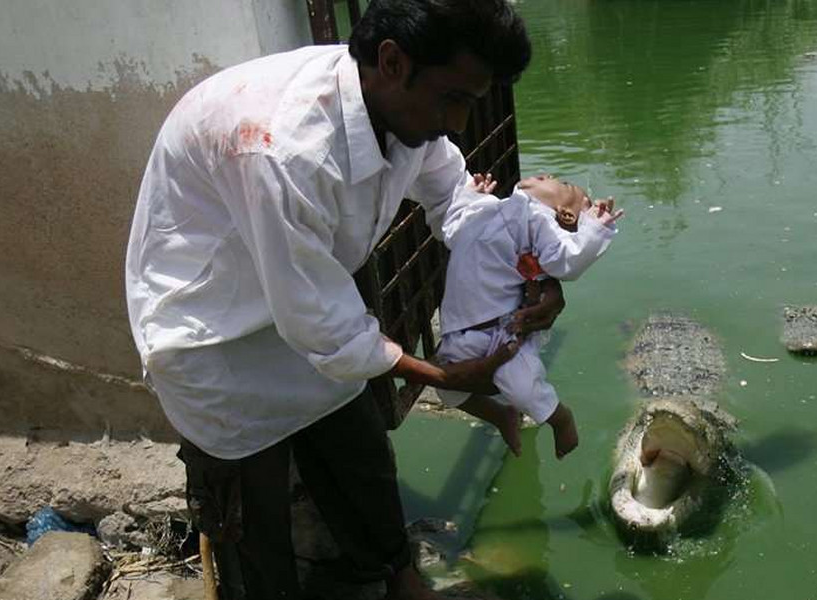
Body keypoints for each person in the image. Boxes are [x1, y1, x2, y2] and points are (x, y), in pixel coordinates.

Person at [124, 1, 558, 598]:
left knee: (361, 461)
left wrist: (533, 270)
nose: (458, 122)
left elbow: (455, 200)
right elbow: (320, 327)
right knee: (254, 526)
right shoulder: (282, 148)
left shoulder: (403, 107)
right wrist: (440, 373)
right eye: (451, 99)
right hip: (215, 339)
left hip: (306, 301)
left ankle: (397, 578)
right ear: (391, 60)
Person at [433, 173, 622, 460]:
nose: (548, 175)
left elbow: (566, 260)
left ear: (565, 213)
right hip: (462, 329)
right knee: (445, 389)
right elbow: (452, 229)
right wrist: (470, 197)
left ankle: (560, 418)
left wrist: (595, 228)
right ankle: (500, 415)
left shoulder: (537, 220)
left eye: (563, 184)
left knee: (522, 388)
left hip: (502, 330)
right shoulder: (492, 207)